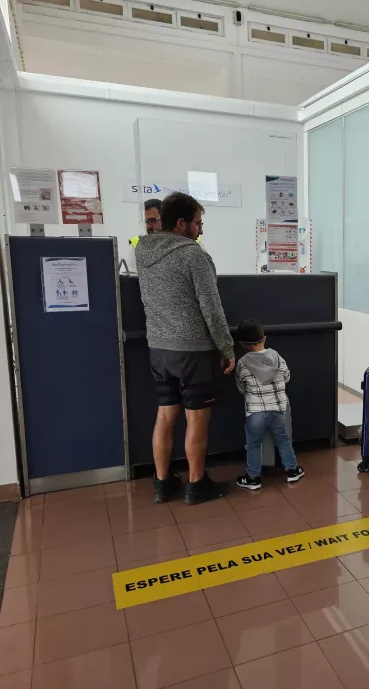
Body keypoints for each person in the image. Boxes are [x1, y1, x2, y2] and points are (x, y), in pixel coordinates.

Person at [135, 191, 234, 505]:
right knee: (197, 419)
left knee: (165, 416)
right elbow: (212, 310)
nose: (200, 230)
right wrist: (227, 348)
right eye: (197, 223)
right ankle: (195, 485)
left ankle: (163, 483)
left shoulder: (142, 252)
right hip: (193, 352)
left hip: (160, 352)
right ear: (181, 224)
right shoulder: (194, 255)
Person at [233, 319, 304, 490]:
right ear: (264, 338)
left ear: (242, 344)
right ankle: (293, 471)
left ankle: (253, 479)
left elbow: (241, 386)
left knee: (253, 444)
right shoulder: (276, 357)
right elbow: (286, 377)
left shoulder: (242, 363)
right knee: (284, 440)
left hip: (256, 413)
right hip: (278, 409)